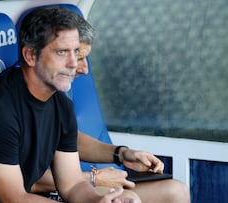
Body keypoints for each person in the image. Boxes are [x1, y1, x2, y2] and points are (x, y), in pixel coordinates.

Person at [0, 6, 134, 203]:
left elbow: (72, 185)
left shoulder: (61, 105)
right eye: (62, 52)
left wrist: (97, 200)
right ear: (30, 55)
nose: (73, 63)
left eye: (76, 52)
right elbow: (15, 199)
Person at [31, 15, 191, 203]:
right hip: (47, 191)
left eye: (81, 57)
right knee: (128, 199)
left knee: (176, 191)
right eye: (78, 57)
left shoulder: (58, 100)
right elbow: (27, 182)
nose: (83, 69)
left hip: (77, 183)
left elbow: (69, 140)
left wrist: (122, 154)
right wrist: (94, 177)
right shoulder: (9, 104)